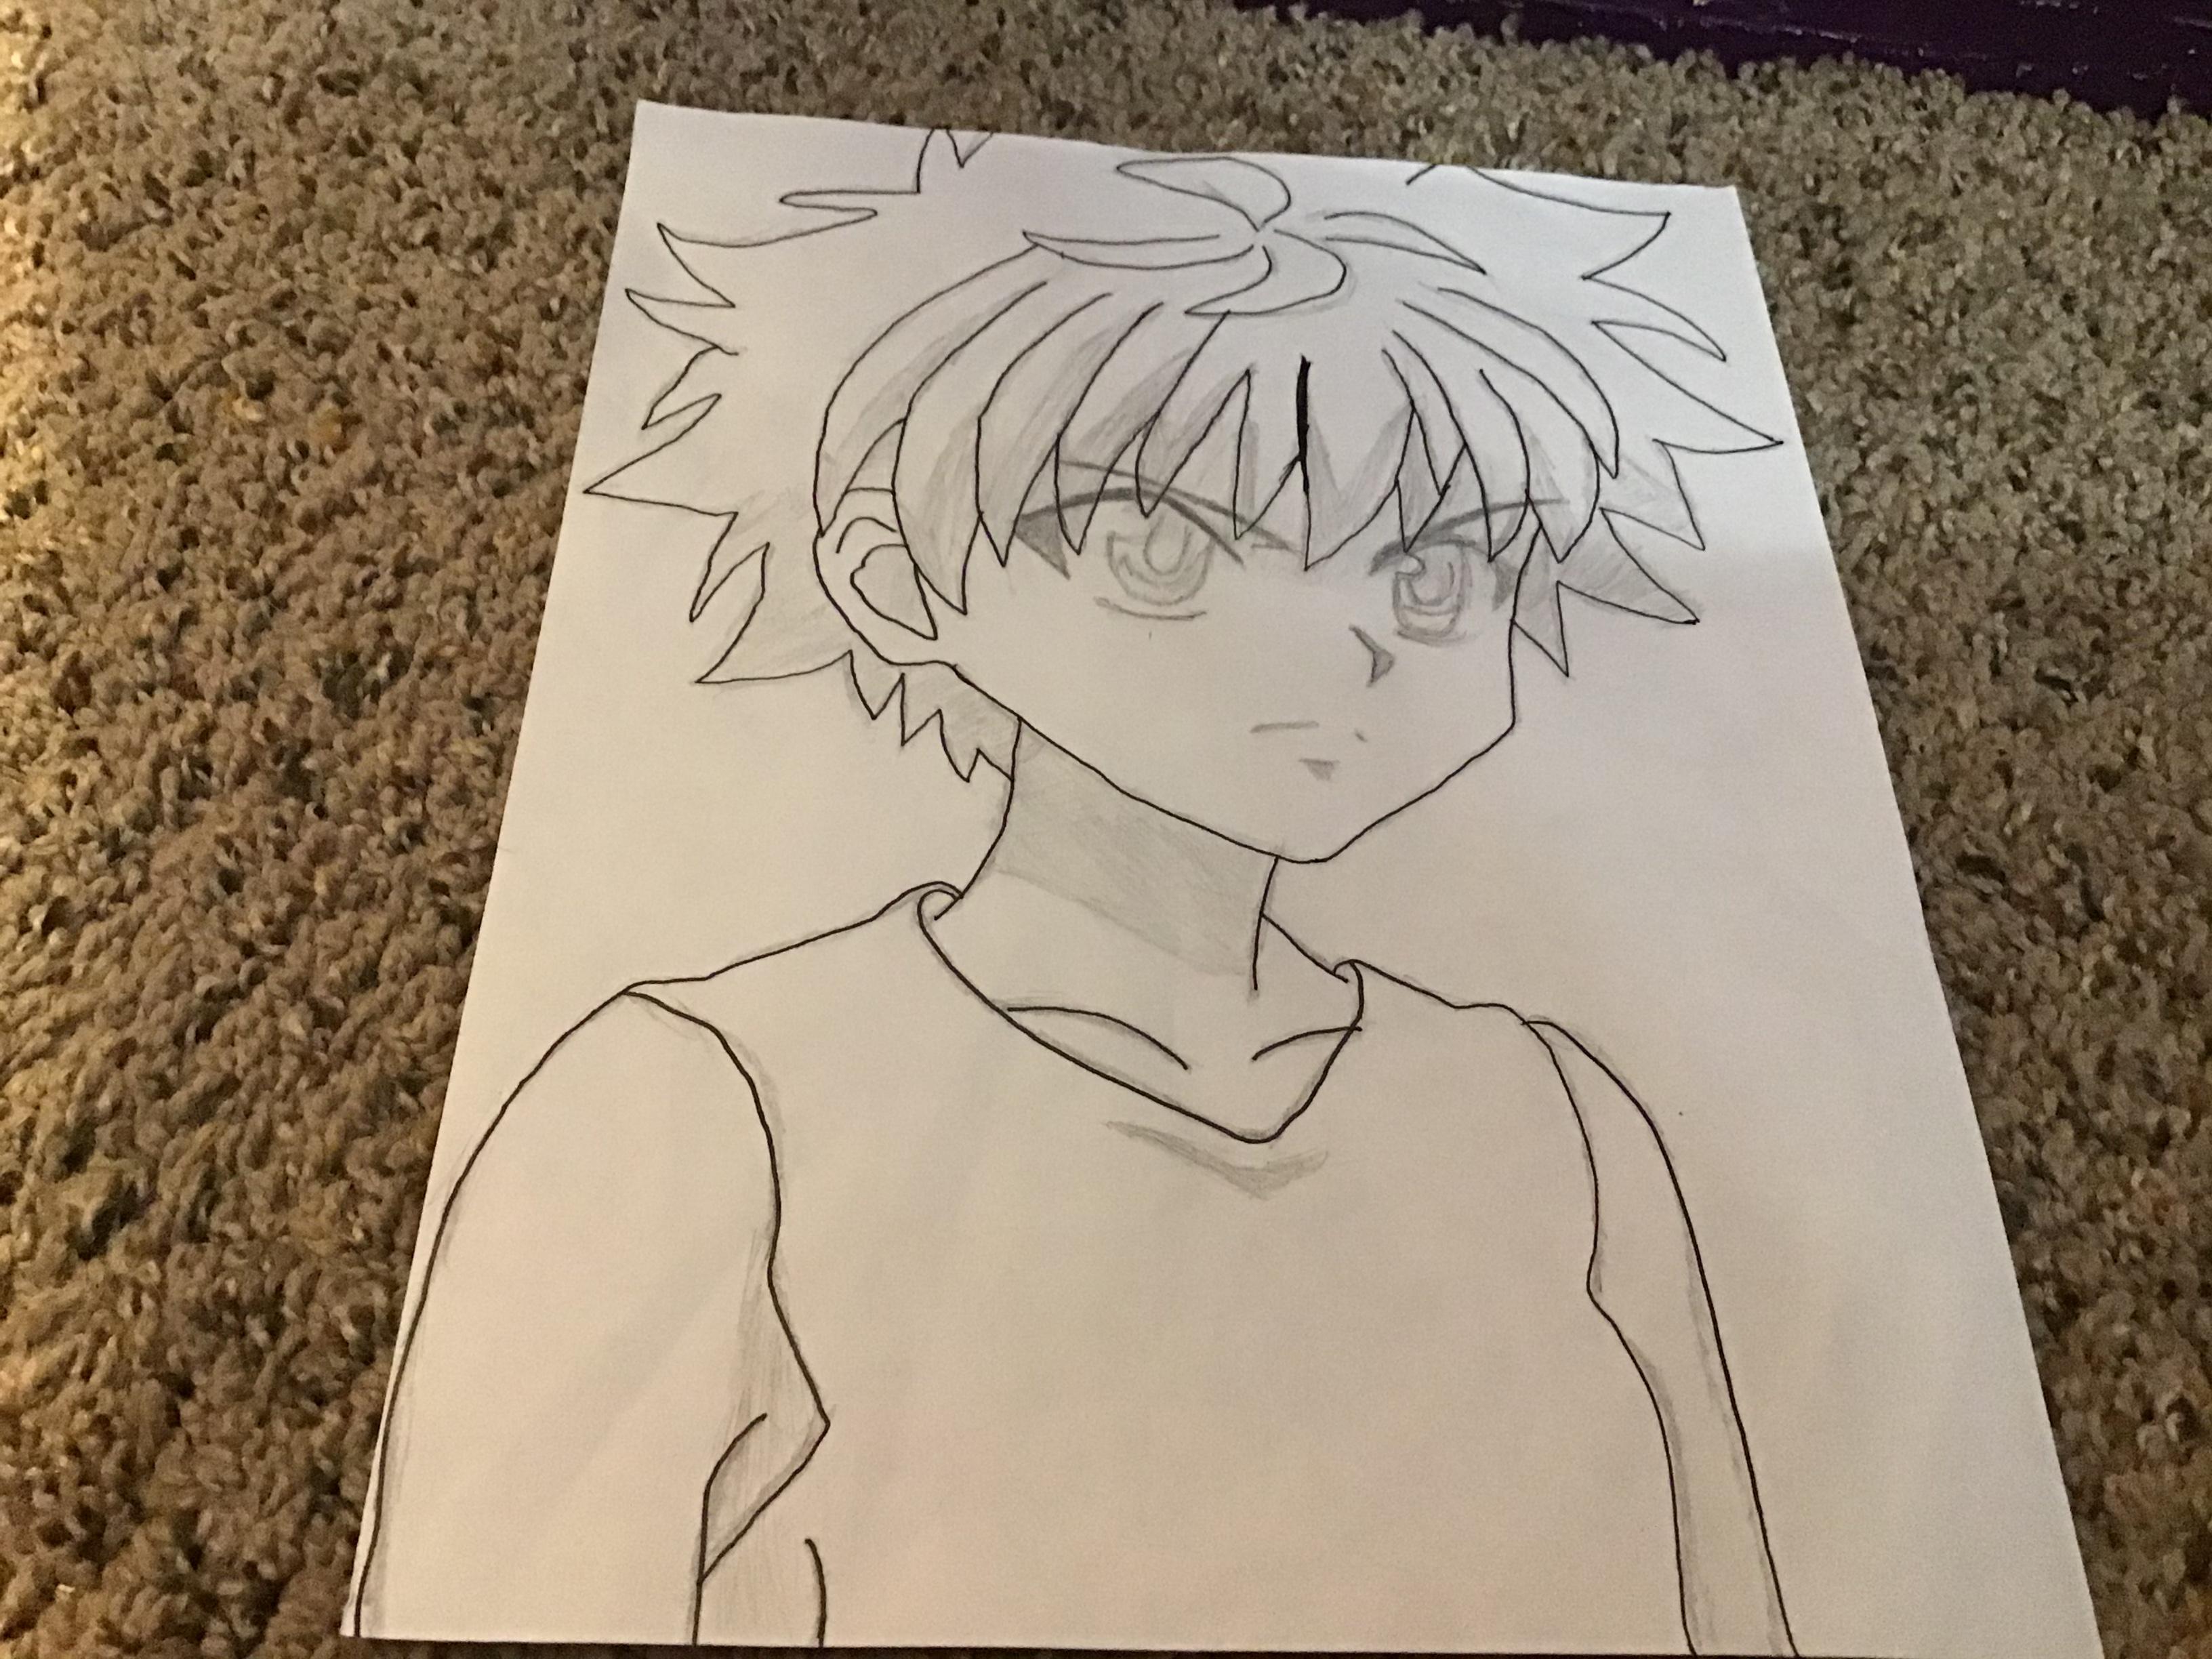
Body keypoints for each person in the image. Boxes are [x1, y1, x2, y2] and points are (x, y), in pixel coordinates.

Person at [348, 128, 1795, 1654]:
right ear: (897, 579)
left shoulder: (1557, 1115)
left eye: (1431, 573)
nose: (1344, 644)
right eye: (1166, 547)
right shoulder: (701, 1102)